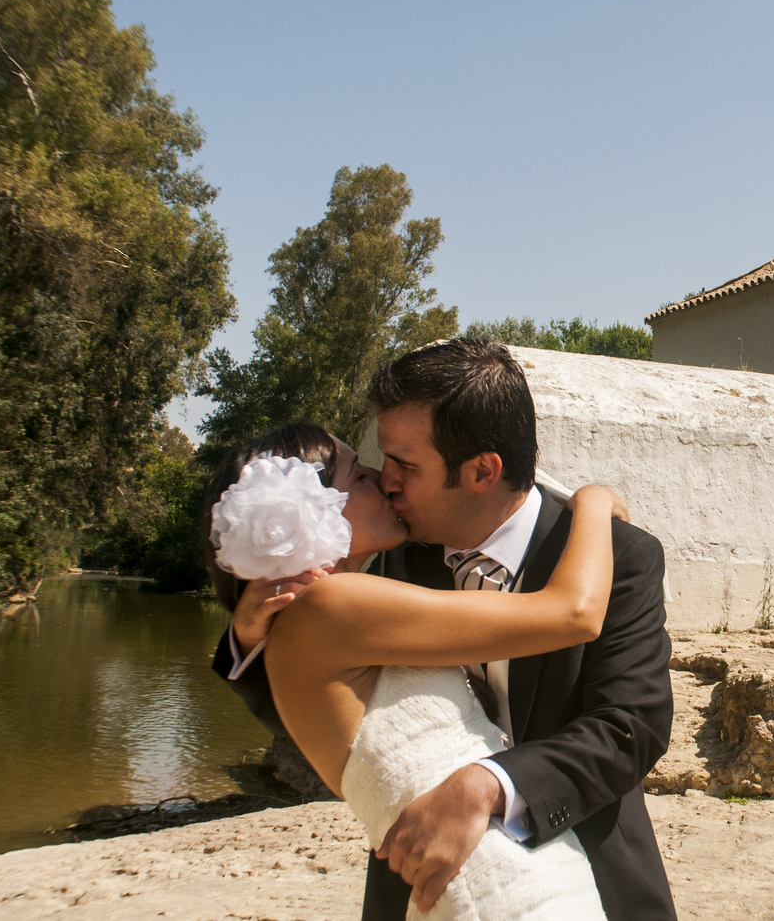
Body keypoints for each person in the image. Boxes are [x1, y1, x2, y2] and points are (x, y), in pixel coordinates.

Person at [211, 340, 677, 921]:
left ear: (482, 470)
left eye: (405, 465)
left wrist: (488, 784)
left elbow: (630, 726)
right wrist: (250, 644)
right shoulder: (388, 556)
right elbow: (330, 722)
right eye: (381, 462)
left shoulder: (618, 556)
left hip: (590, 877)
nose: (386, 482)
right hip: (421, 884)